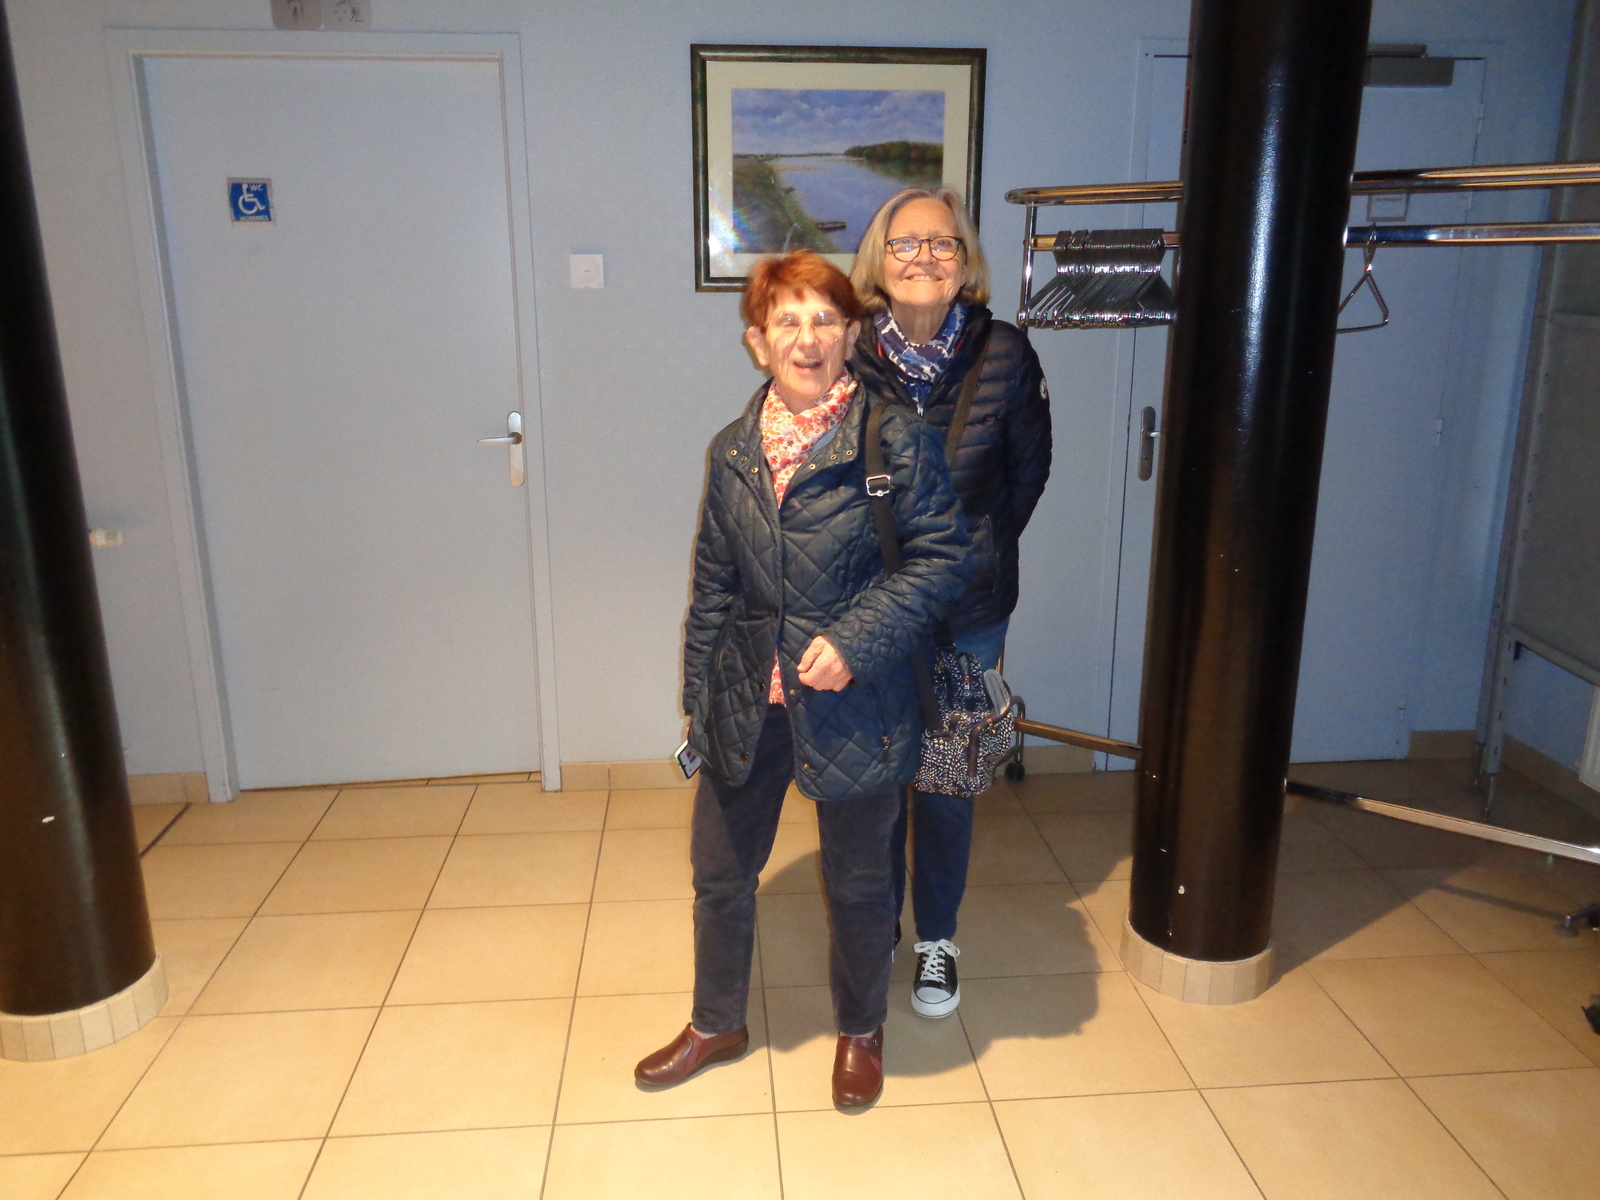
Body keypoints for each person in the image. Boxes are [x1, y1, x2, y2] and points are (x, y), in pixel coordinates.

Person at [634, 251, 971, 1108]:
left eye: (824, 320)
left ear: (851, 335)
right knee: (720, 873)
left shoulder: (894, 439)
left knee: (859, 883)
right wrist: (699, 699)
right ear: (758, 342)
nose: (807, 339)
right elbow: (714, 585)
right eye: (787, 321)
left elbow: (942, 560)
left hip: (856, 699)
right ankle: (716, 1022)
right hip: (750, 696)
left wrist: (856, 639)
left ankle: (861, 1030)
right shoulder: (733, 451)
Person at [848, 187, 1052, 1019]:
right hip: (871, 609)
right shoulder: (848, 351)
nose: (924, 258)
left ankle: (936, 940)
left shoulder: (1006, 354)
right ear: (878, 259)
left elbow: (1027, 476)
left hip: (970, 612)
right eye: (905, 243)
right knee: (874, 777)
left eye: (942, 243)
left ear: (965, 262)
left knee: (946, 778)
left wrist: (972, 554)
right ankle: (876, 926)